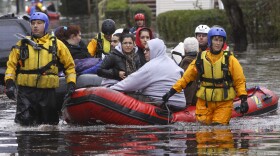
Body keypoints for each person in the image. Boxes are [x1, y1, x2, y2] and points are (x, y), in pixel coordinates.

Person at [162, 27, 248, 125]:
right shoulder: (200, 59)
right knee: (202, 131)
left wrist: (243, 100)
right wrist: (171, 92)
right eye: (215, 40)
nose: (218, 43)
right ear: (210, 41)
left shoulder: (230, 60)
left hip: (223, 102)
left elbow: (240, 81)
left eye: (220, 40)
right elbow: (186, 78)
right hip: (204, 102)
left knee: (219, 130)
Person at [4, 12, 76, 126]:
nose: (35, 26)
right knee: (24, 125)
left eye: (39, 23)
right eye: (33, 23)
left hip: (47, 92)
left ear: (46, 25)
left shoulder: (57, 44)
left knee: (49, 125)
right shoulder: (21, 44)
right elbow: (11, 66)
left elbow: (69, 66)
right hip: (26, 92)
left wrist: (71, 84)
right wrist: (9, 84)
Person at [110, 38, 186, 111]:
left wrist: (109, 90)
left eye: (147, 50)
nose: (144, 52)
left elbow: (129, 83)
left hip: (163, 104)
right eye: (144, 49)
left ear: (155, 50)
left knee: (126, 94)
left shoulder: (151, 66)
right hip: (180, 104)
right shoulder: (173, 63)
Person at [179, 37, 199, 105]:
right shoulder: (202, 61)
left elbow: (189, 85)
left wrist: (188, 102)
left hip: (193, 101)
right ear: (198, 50)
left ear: (184, 50)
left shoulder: (186, 63)